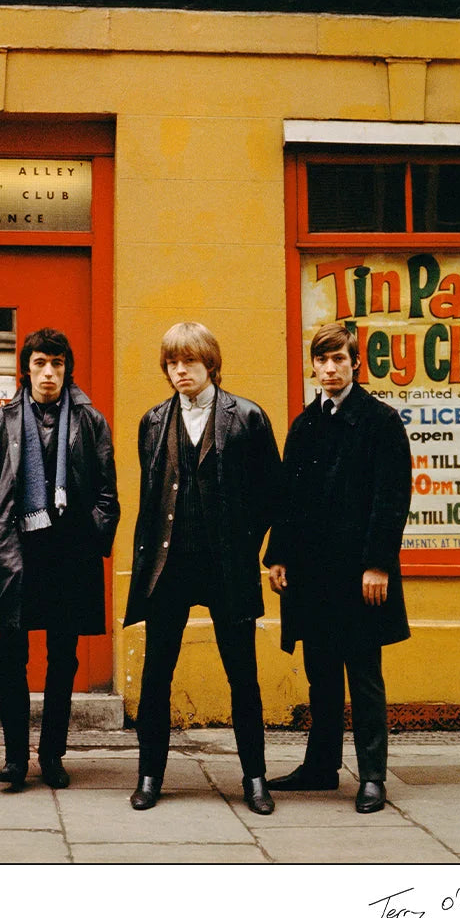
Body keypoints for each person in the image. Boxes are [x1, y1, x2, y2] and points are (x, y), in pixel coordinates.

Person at [124, 322, 283, 814]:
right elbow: (153, 499)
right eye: (172, 363)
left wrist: (245, 545)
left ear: (210, 363)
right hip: (168, 566)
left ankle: (254, 778)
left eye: (189, 362)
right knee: (156, 676)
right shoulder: (153, 421)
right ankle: (150, 775)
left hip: (226, 567)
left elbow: (271, 496)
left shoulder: (247, 417)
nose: (180, 371)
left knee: (243, 675)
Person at [264, 322, 412, 813]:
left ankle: (372, 776)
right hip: (313, 576)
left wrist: (377, 565)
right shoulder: (305, 424)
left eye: (339, 360)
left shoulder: (381, 422)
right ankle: (321, 766)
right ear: (313, 365)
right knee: (321, 674)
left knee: (364, 675)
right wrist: (278, 555)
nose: (330, 369)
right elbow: (286, 498)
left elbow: (390, 500)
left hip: (359, 575)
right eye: (322, 360)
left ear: (355, 365)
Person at [0, 328, 119, 792]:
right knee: (10, 655)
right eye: (40, 363)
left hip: (69, 555)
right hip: (16, 552)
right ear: (26, 368)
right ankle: (15, 758)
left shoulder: (91, 419)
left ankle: (52, 754)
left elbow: (107, 493)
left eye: (56, 363)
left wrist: (89, 532)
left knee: (63, 658)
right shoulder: (0, 421)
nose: (48, 373)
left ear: (66, 368)